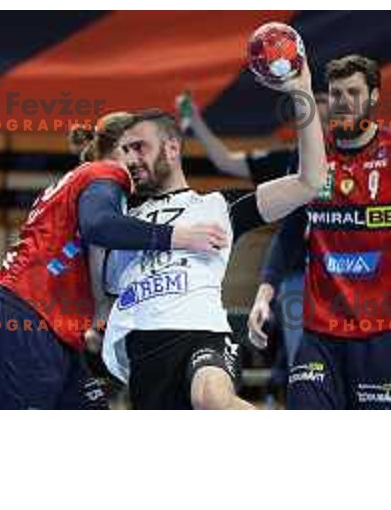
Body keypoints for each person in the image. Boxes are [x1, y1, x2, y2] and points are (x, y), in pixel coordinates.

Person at [102, 59, 327, 409]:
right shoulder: (119, 221)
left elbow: (310, 181)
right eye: (126, 151)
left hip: (203, 337)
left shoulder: (219, 205)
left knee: (212, 398)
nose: (131, 159)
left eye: (140, 147)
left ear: (173, 149)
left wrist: (302, 91)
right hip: (142, 353)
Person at [0, 113, 231, 410]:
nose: (140, 159)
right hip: (26, 319)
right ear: (121, 147)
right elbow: (99, 227)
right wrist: (179, 236)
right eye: (137, 147)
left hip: (51, 328)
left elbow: (90, 251)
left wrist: (97, 313)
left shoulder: (87, 179)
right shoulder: (107, 173)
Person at [248, 54, 391, 409]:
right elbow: (289, 234)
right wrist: (264, 294)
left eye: (354, 92)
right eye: (336, 93)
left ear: (374, 96)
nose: (343, 102)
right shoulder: (314, 156)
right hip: (319, 332)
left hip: (380, 334)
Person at [177, 89, 329, 184]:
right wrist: (194, 120)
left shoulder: (351, 162)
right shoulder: (283, 160)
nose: (319, 128)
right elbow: (226, 162)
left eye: (326, 120)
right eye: (312, 121)